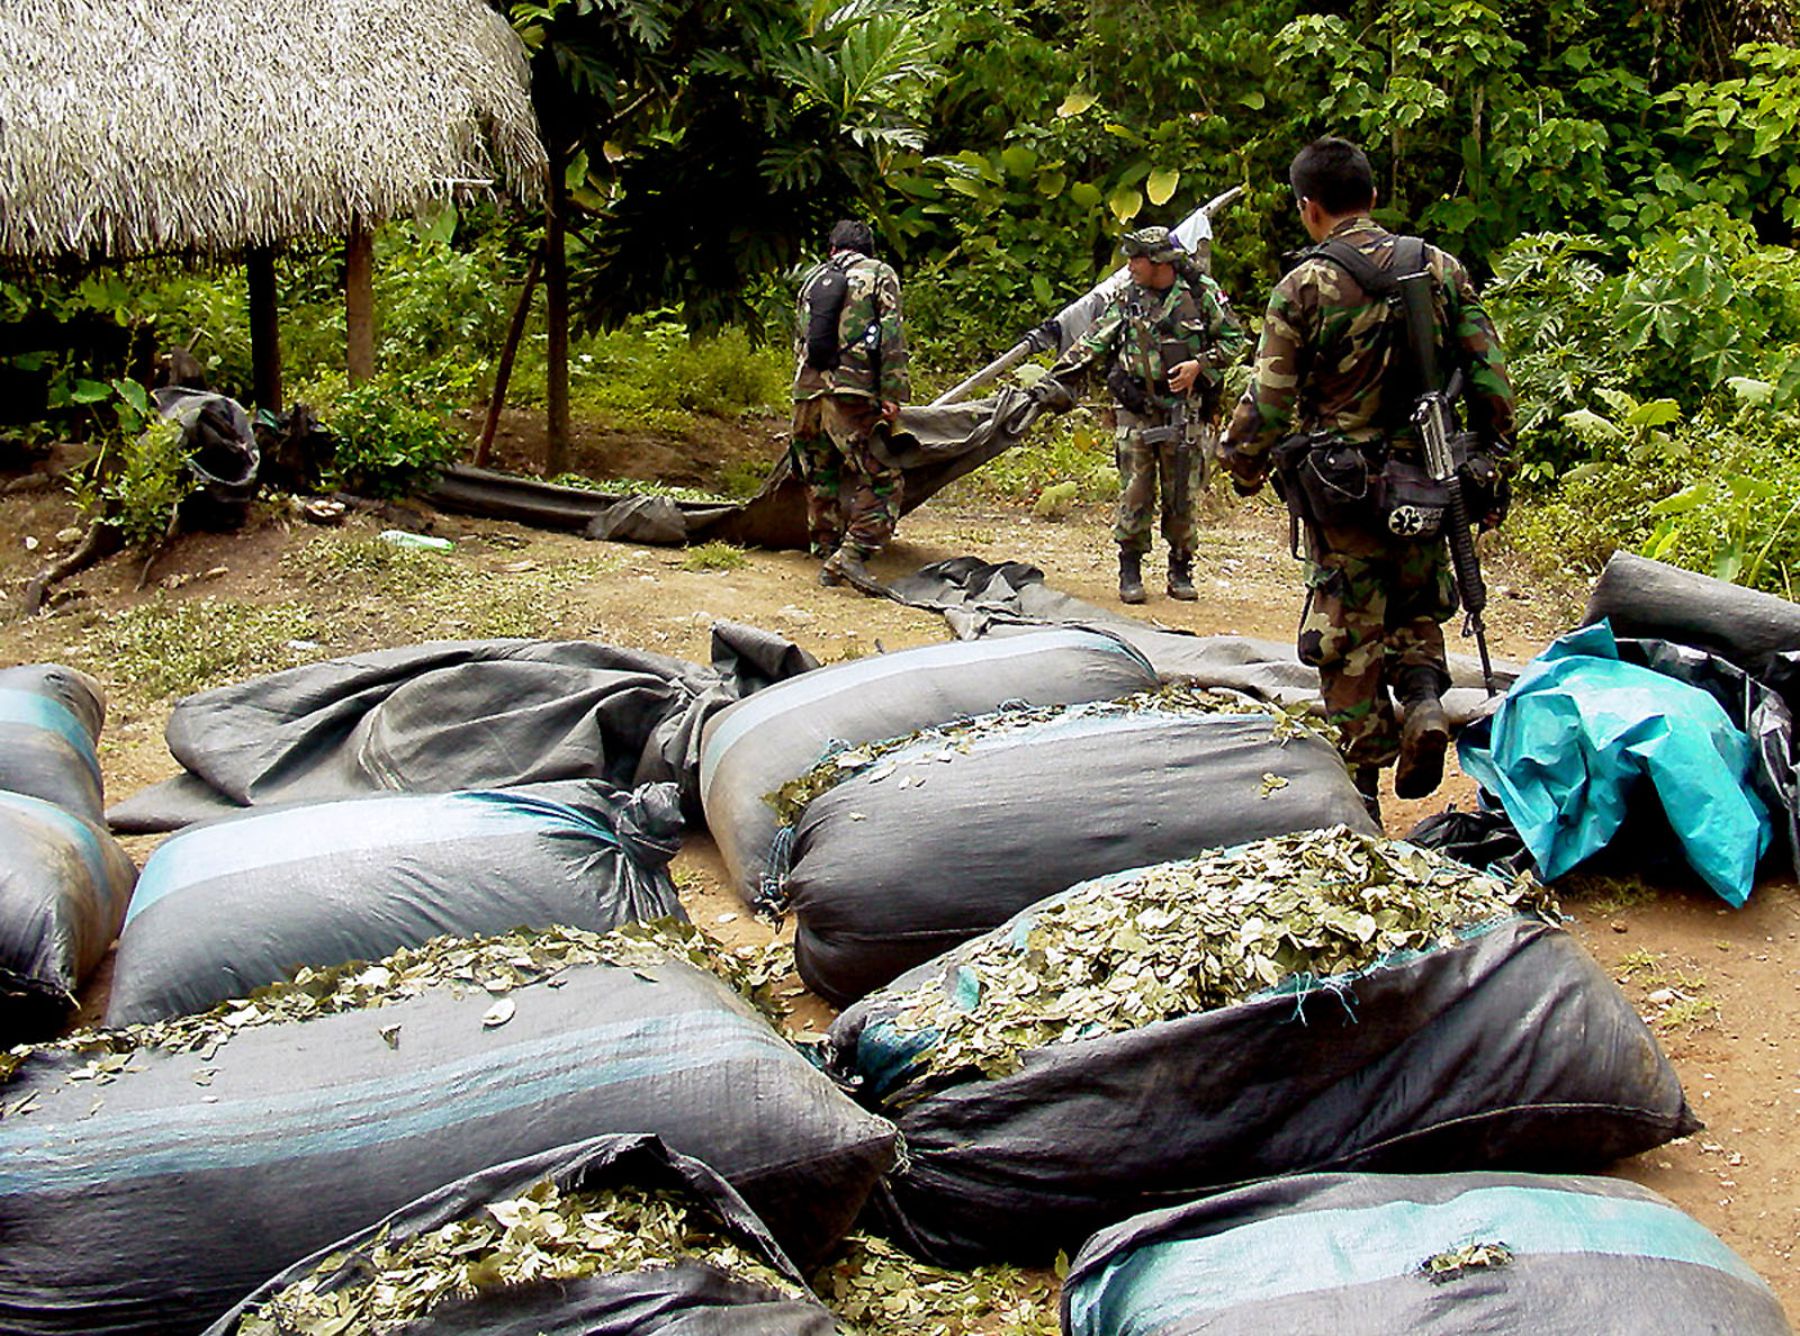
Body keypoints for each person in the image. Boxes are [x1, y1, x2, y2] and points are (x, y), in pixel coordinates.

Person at [1217, 137, 1515, 819]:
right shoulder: (1439, 267)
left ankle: (1363, 798)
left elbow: (1269, 400)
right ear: (1373, 196)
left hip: (1344, 493)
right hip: (1429, 483)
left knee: (1343, 636)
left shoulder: (1304, 286)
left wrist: (1243, 463)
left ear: (1308, 208)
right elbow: (1492, 377)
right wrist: (1493, 463)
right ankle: (1422, 703)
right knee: (1415, 606)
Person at [1042, 226, 1245, 603]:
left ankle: (1181, 567)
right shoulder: (1127, 296)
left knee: (1181, 491)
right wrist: (1053, 378)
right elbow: (1093, 341)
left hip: (1183, 410)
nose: (1130, 265)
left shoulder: (1200, 294)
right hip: (1135, 406)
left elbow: (1235, 340)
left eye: (1137, 258)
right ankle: (1130, 566)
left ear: (1159, 262)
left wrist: (1199, 366)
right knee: (1135, 490)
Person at [788, 219, 911, 591]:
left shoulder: (813, 278)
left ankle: (824, 550)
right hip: (851, 393)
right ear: (868, 249)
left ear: (832, 249)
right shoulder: (879, 274)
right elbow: (890, 333)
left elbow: (800, 340)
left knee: (820, 473)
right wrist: (892, 392)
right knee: (883, 475)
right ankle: (851, 556)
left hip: (806, 393)